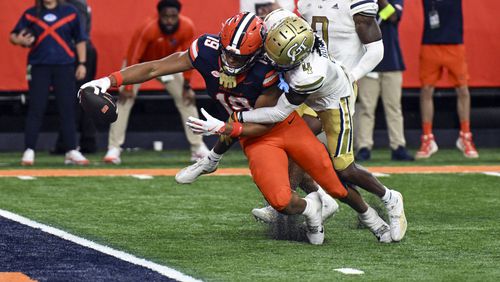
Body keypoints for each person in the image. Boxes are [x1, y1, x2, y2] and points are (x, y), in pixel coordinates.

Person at [82, 12, 391, 245]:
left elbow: (263, 119)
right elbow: (154, 67)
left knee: (335, 184)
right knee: (281, 200)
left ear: (258, 52)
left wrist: (219, 140)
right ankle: (312, 208)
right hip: (252, 137)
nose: (229, 60)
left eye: (237, 55)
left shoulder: (268, 67)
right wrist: (107, 81)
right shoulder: (206, 49)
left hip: (277, 124)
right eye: (226, 52)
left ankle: (371, 216)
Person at [190, 12, 407, 243]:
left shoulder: (305, 75)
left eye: (277, 59)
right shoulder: (278, 23)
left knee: (344, 168)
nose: (269, 61)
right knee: (291, 145)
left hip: (331, 100)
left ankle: (390, 197)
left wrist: (237, 117)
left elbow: (277, 113)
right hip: (306, 96)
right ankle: (319, 199)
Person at [102, 0, 208, 164]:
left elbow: (189, 59)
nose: (169, 21)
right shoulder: (149, 27)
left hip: (165, 64)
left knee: (187, 98)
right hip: (140, 64)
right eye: (165, 17)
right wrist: (128, 87)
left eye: (173, 16)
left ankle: (198, 147)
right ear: (159, 15)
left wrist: (187, 85)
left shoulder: (187, 27)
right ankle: (114, 148)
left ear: (178, 15)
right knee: (124, 100)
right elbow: (134, 56)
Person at [10, 0, 89, 165]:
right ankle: (29, 150)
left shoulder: (70, 12)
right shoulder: (31, 13)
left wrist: (82, 63)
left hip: (65, 66)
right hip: (39, 66)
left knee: (67, 108)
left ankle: (72, 150)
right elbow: (13, 35)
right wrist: (20, 40)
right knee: (36, 108)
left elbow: (80, 39)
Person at [416, 0, 478, 159]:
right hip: (430, 44)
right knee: (426, 90)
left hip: (454, 44)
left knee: (463, 89)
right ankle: (427, 138)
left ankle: (465, 136)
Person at [354, 0, 414, 161]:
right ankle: (364, 146)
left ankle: (398, 146)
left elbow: (393, 16)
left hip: (392, 63)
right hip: (368, 63)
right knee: (366, 108)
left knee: (394, 107)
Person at [52, 0, 98, 154]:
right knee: (80, 97)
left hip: (78, 54)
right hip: (78, 52)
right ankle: (82, 141)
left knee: (77, 97)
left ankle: (73, 142)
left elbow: (80, 34)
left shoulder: (74, 5)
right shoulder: (77, 4)